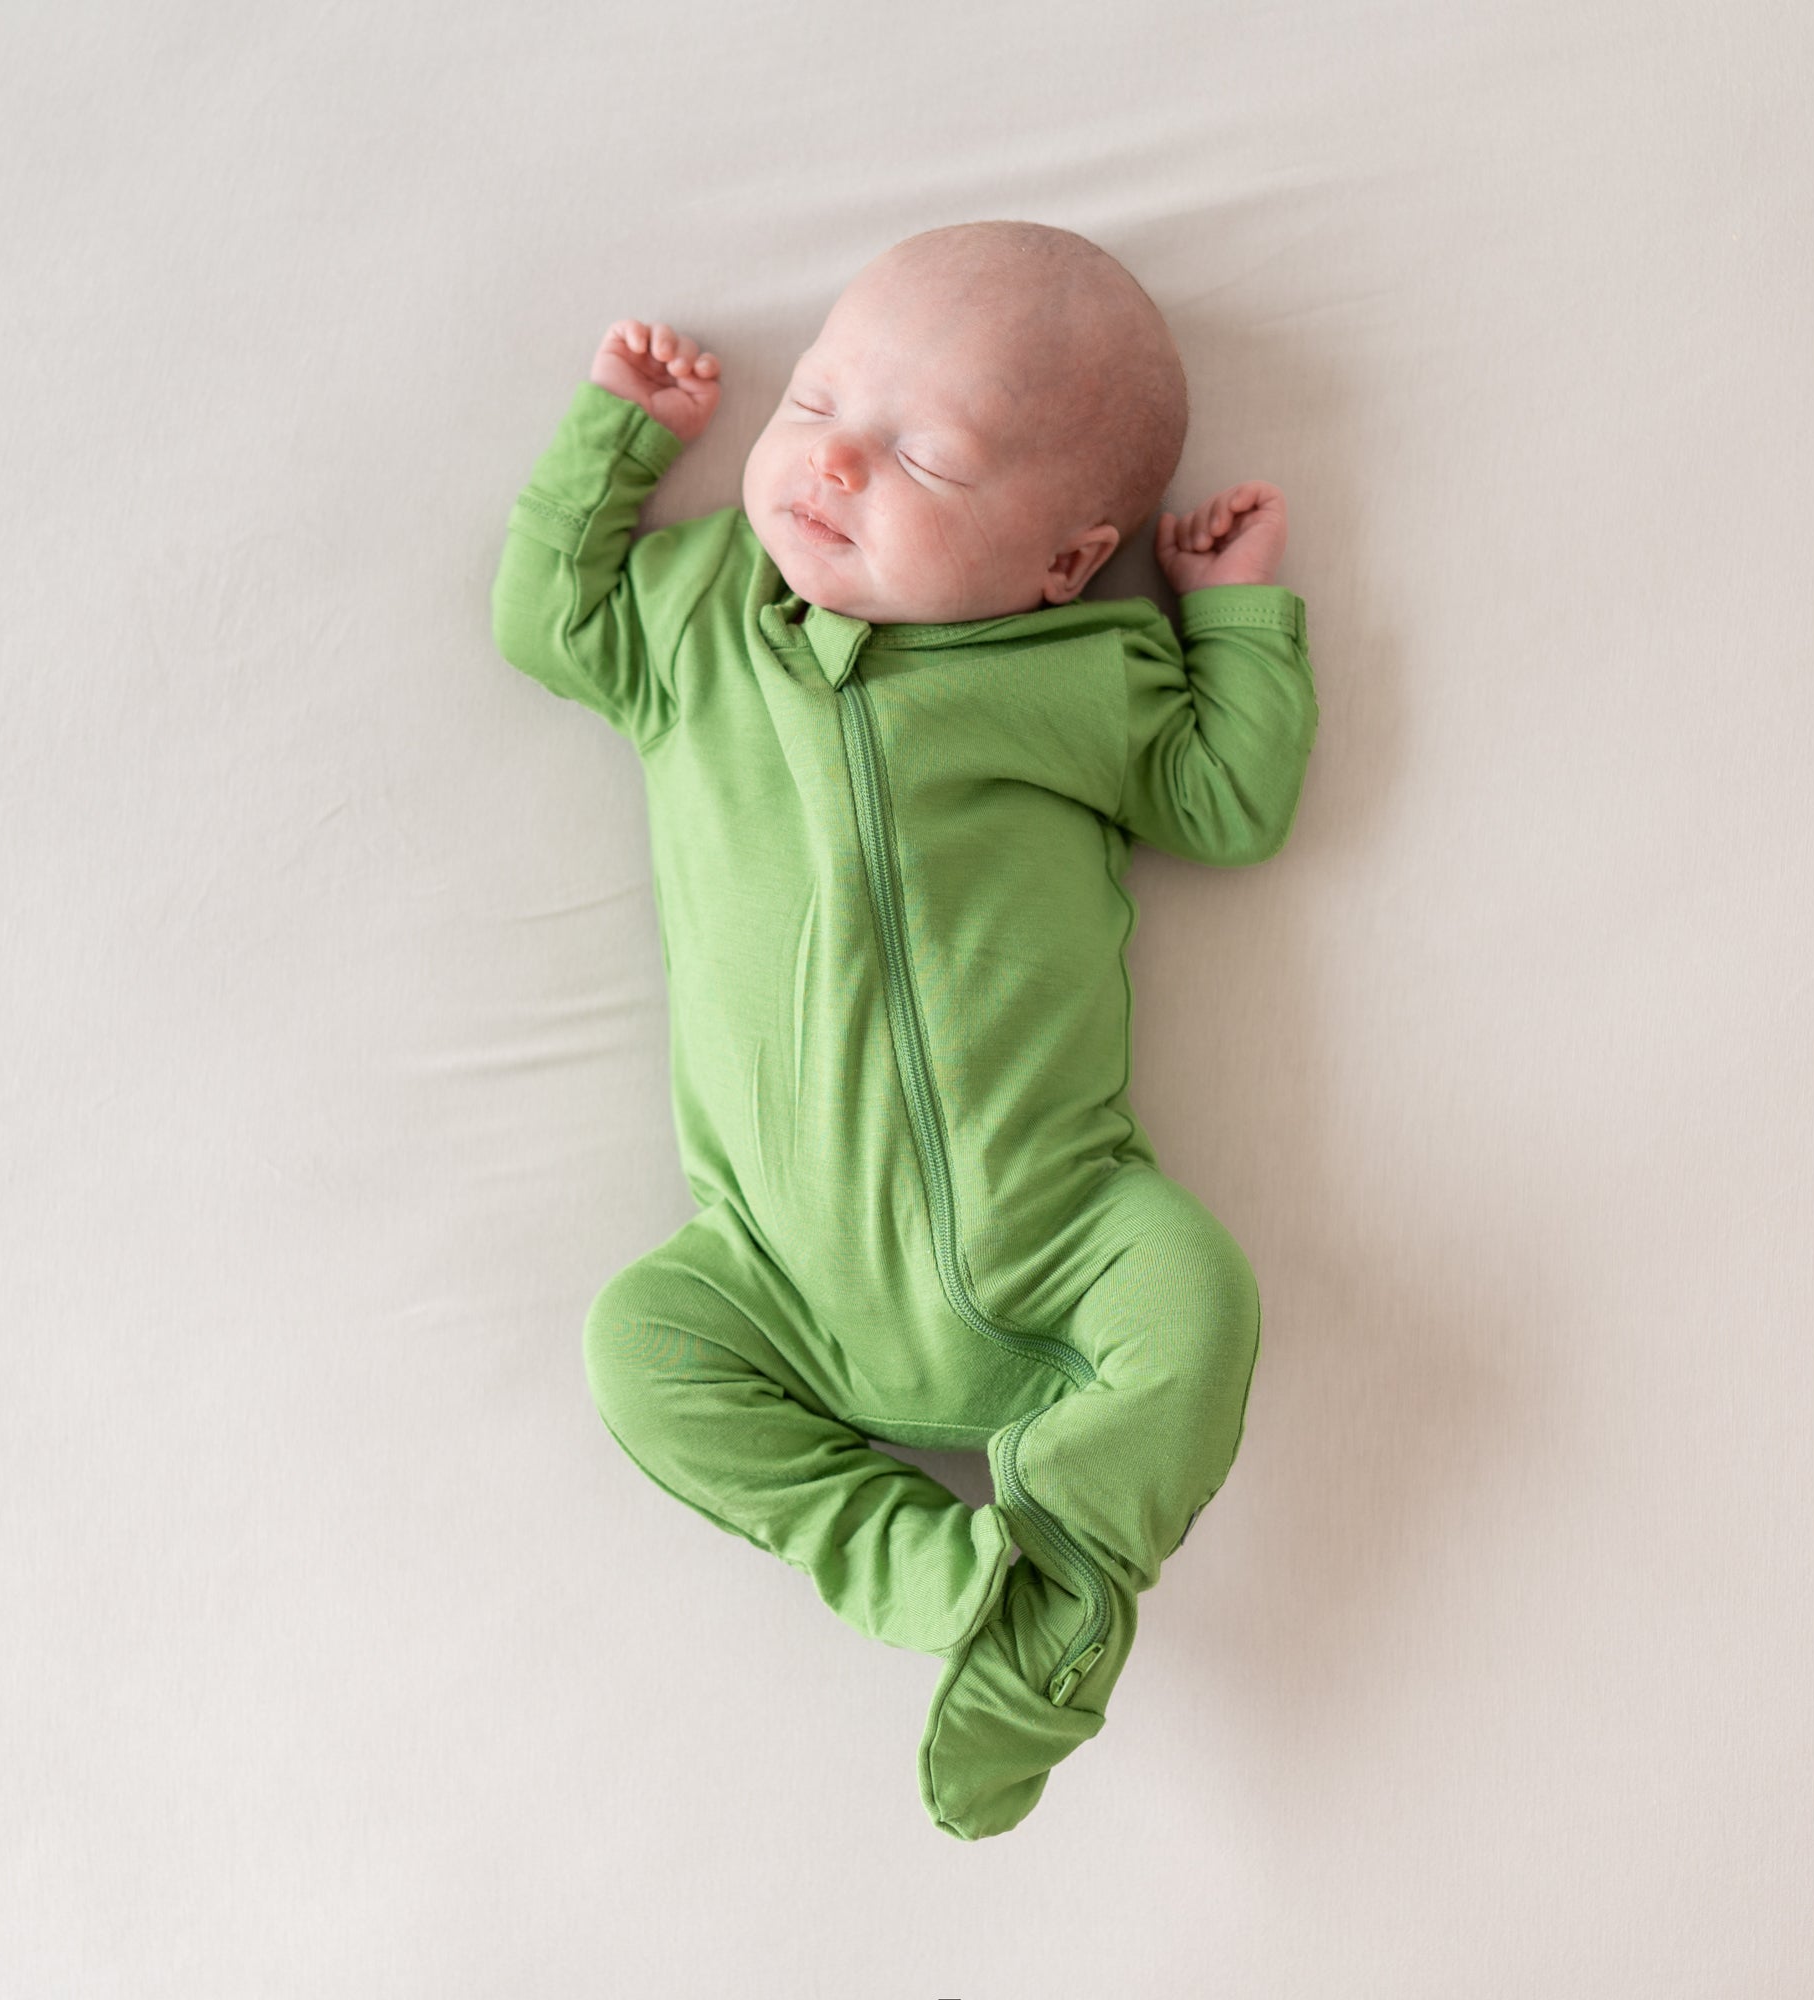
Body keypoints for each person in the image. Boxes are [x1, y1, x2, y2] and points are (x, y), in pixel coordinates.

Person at [489, 220, 1318, 1840]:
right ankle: (946, 1581)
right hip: (769, 1284)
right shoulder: (697, 619)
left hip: (1063, 1235)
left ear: (1067, 560)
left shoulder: (1084, 667)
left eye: (925, 460)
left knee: (1200, 1301)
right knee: (639, 1352)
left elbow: (1226, 801)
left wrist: (1232, 620)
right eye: (812, 408)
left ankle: (1071, 1565)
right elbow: (546, 621)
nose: (836, 465)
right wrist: (616, 442)